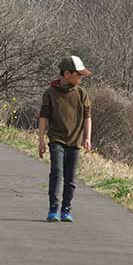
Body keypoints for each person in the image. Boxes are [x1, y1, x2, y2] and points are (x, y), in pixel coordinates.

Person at [38, 56, 93, 223]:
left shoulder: (82, 94)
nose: (81, 78)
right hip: (56, 139)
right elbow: (43, 117)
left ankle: (66, 209)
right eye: (79, 75)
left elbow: (87, 117)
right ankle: (53, 208)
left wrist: (87, 137)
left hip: (75, 141)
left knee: (70, 178)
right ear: (67, 74)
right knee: (57, 172)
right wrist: (41, 139)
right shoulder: (50, 93)